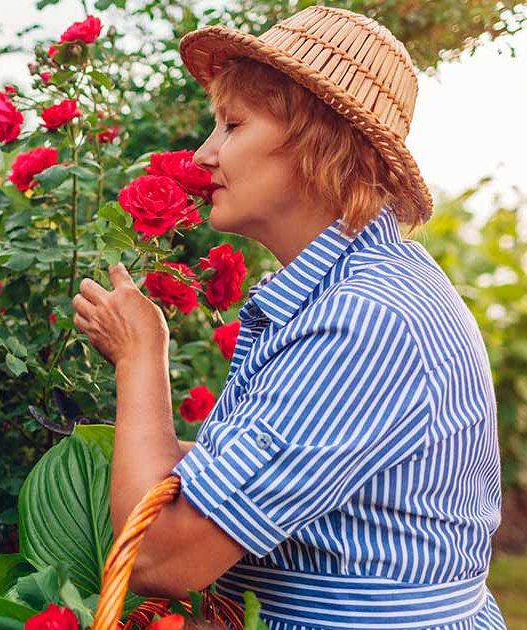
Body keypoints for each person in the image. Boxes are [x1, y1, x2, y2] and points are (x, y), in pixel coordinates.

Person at [71, 6, 505, 628]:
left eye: (232, 125)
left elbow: (160, 559)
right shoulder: (359, 285)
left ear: (315, 141)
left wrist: (141, 357)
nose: (203, 154)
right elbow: (285, 466)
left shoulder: (361, 322)